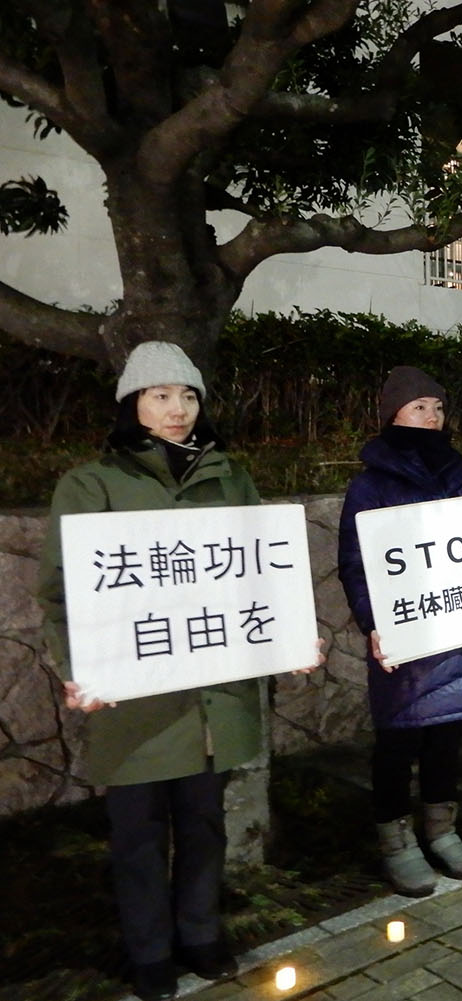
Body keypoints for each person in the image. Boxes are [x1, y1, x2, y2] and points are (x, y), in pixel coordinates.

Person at [37, 341, 322, 1001]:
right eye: (161, 394)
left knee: (203, 821)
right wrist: (76, 668)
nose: (177, 408)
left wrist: (289, 636)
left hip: (212, 696)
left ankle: (199, 932)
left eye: (188, 395)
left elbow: (266, 570)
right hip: (135, 697)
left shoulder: (230, 475)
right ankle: (149, 951)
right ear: (132, 403)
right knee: (137, 832)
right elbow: (61, 592)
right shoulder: (92, 483)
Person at [337, 366, 462, 897]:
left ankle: (441, 830)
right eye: (420, 408)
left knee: (447, 734)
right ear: (392, 414)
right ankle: (396, 841)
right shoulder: (370, 486)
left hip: (460, 625)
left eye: (438, 408)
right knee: (398, 738)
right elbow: (356, 563)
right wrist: (374, 622)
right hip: (408, 632)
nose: (432, 418)